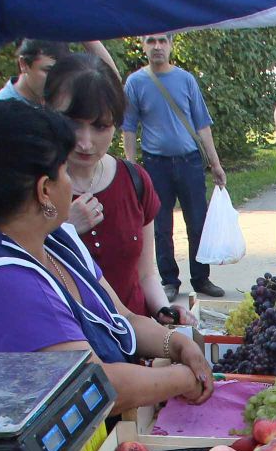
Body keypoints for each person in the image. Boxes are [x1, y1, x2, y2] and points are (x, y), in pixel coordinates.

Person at [0, 99, 213, 414]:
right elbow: (93, 387)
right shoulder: (1, 285)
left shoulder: (52, 236)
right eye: (65, 170)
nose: (72, 182)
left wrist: (178, 343)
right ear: (45, 189)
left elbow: (122, 317)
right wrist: (181, 378)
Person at [42, 53, 186, 325]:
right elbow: (17, 274)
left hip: (133, 341)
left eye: (100, 126)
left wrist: (163, 310)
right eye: (73, 123)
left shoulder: (135, 180)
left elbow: (146, 274)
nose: (85, 142)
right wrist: (63, 229)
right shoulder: (32, 187)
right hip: (70, 347)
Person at [122, 33, 229, 300]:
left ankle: (201, 278)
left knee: (197, 222)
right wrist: (131, 169)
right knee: (160, 225)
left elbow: (202, 124)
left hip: (190, 162)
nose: (157, 46)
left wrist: (215, 164)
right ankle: (169, 280)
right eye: (150, 41)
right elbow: (128, 127)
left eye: (162, 41)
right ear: (143, 45)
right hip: (155, 165)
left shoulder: (186, 80)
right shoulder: (135, 83)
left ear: (170, 44)